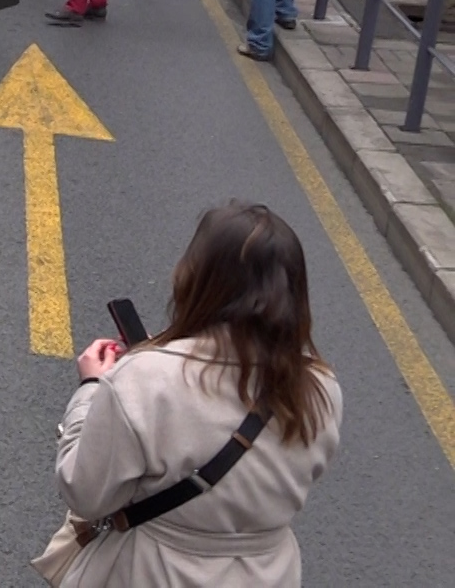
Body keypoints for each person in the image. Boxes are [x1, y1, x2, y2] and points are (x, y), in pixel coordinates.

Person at [48, 203, 341, 586]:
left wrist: (91, 390)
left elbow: (84, 492)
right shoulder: (321, 387)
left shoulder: (144, 380)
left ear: (197, 279)